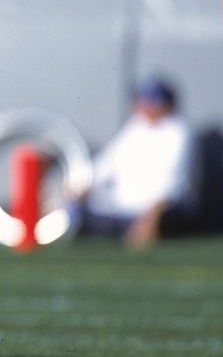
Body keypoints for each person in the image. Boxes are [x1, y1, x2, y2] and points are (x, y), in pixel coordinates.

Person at [79, 78, 194, 249]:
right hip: (120, 212)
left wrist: (150, 218)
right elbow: (105, 166)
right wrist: (78, 189)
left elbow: (172, 187)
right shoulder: (135, 127)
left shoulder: (178, 132)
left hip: (156, 213)